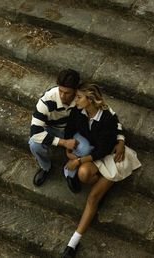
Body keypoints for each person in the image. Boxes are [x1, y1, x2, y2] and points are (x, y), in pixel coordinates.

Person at [62, 83, 141, 258]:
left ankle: (72, 243)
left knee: (92, 198)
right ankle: (99, 183)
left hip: (110, 157)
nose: (75, 100)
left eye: (79, 97)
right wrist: (68, 151)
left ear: (90, 100)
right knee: (83, 174)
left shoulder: (107, 118)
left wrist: (79, 161)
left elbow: (104, 150)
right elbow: (69, 131)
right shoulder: (77, 112)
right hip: (93, 155)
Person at [29, 69, 125, 190]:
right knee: (34, 144)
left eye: (67, 93)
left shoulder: (81, 97)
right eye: (60, 90)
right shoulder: (47, 101)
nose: (62, 96)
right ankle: (45, 167)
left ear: (75, 90)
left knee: (85, 148)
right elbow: (34, 133)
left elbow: (111, 116)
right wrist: (64, 143)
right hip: (52, 129)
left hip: (72, 130)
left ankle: (70, 174)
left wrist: (120, 139)